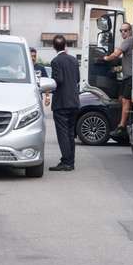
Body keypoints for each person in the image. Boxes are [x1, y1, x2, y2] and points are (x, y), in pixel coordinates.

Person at [98, 22, 133, 139]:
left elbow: (116, 54)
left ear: (130, 31)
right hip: (126, 76)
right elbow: (125, 59)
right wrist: (118, 69)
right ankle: (126, 122)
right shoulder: (131, 41)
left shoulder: (129, 40)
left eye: (125, 30)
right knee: (121, 99)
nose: (123, 33)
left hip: (130, 77)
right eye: (121, 30)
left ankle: (121, 127)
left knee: (125, 100)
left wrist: (104, 58)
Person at [49, 34, 80, 171]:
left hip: (61, 103)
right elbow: (78, 79)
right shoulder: (73, 60)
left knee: (62, 134)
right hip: (74, 101)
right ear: (65, 45)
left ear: (54, 47)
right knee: (70, 133)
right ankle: (70, 161)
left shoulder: (55, 61)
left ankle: (66, 162)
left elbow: (59, 80)